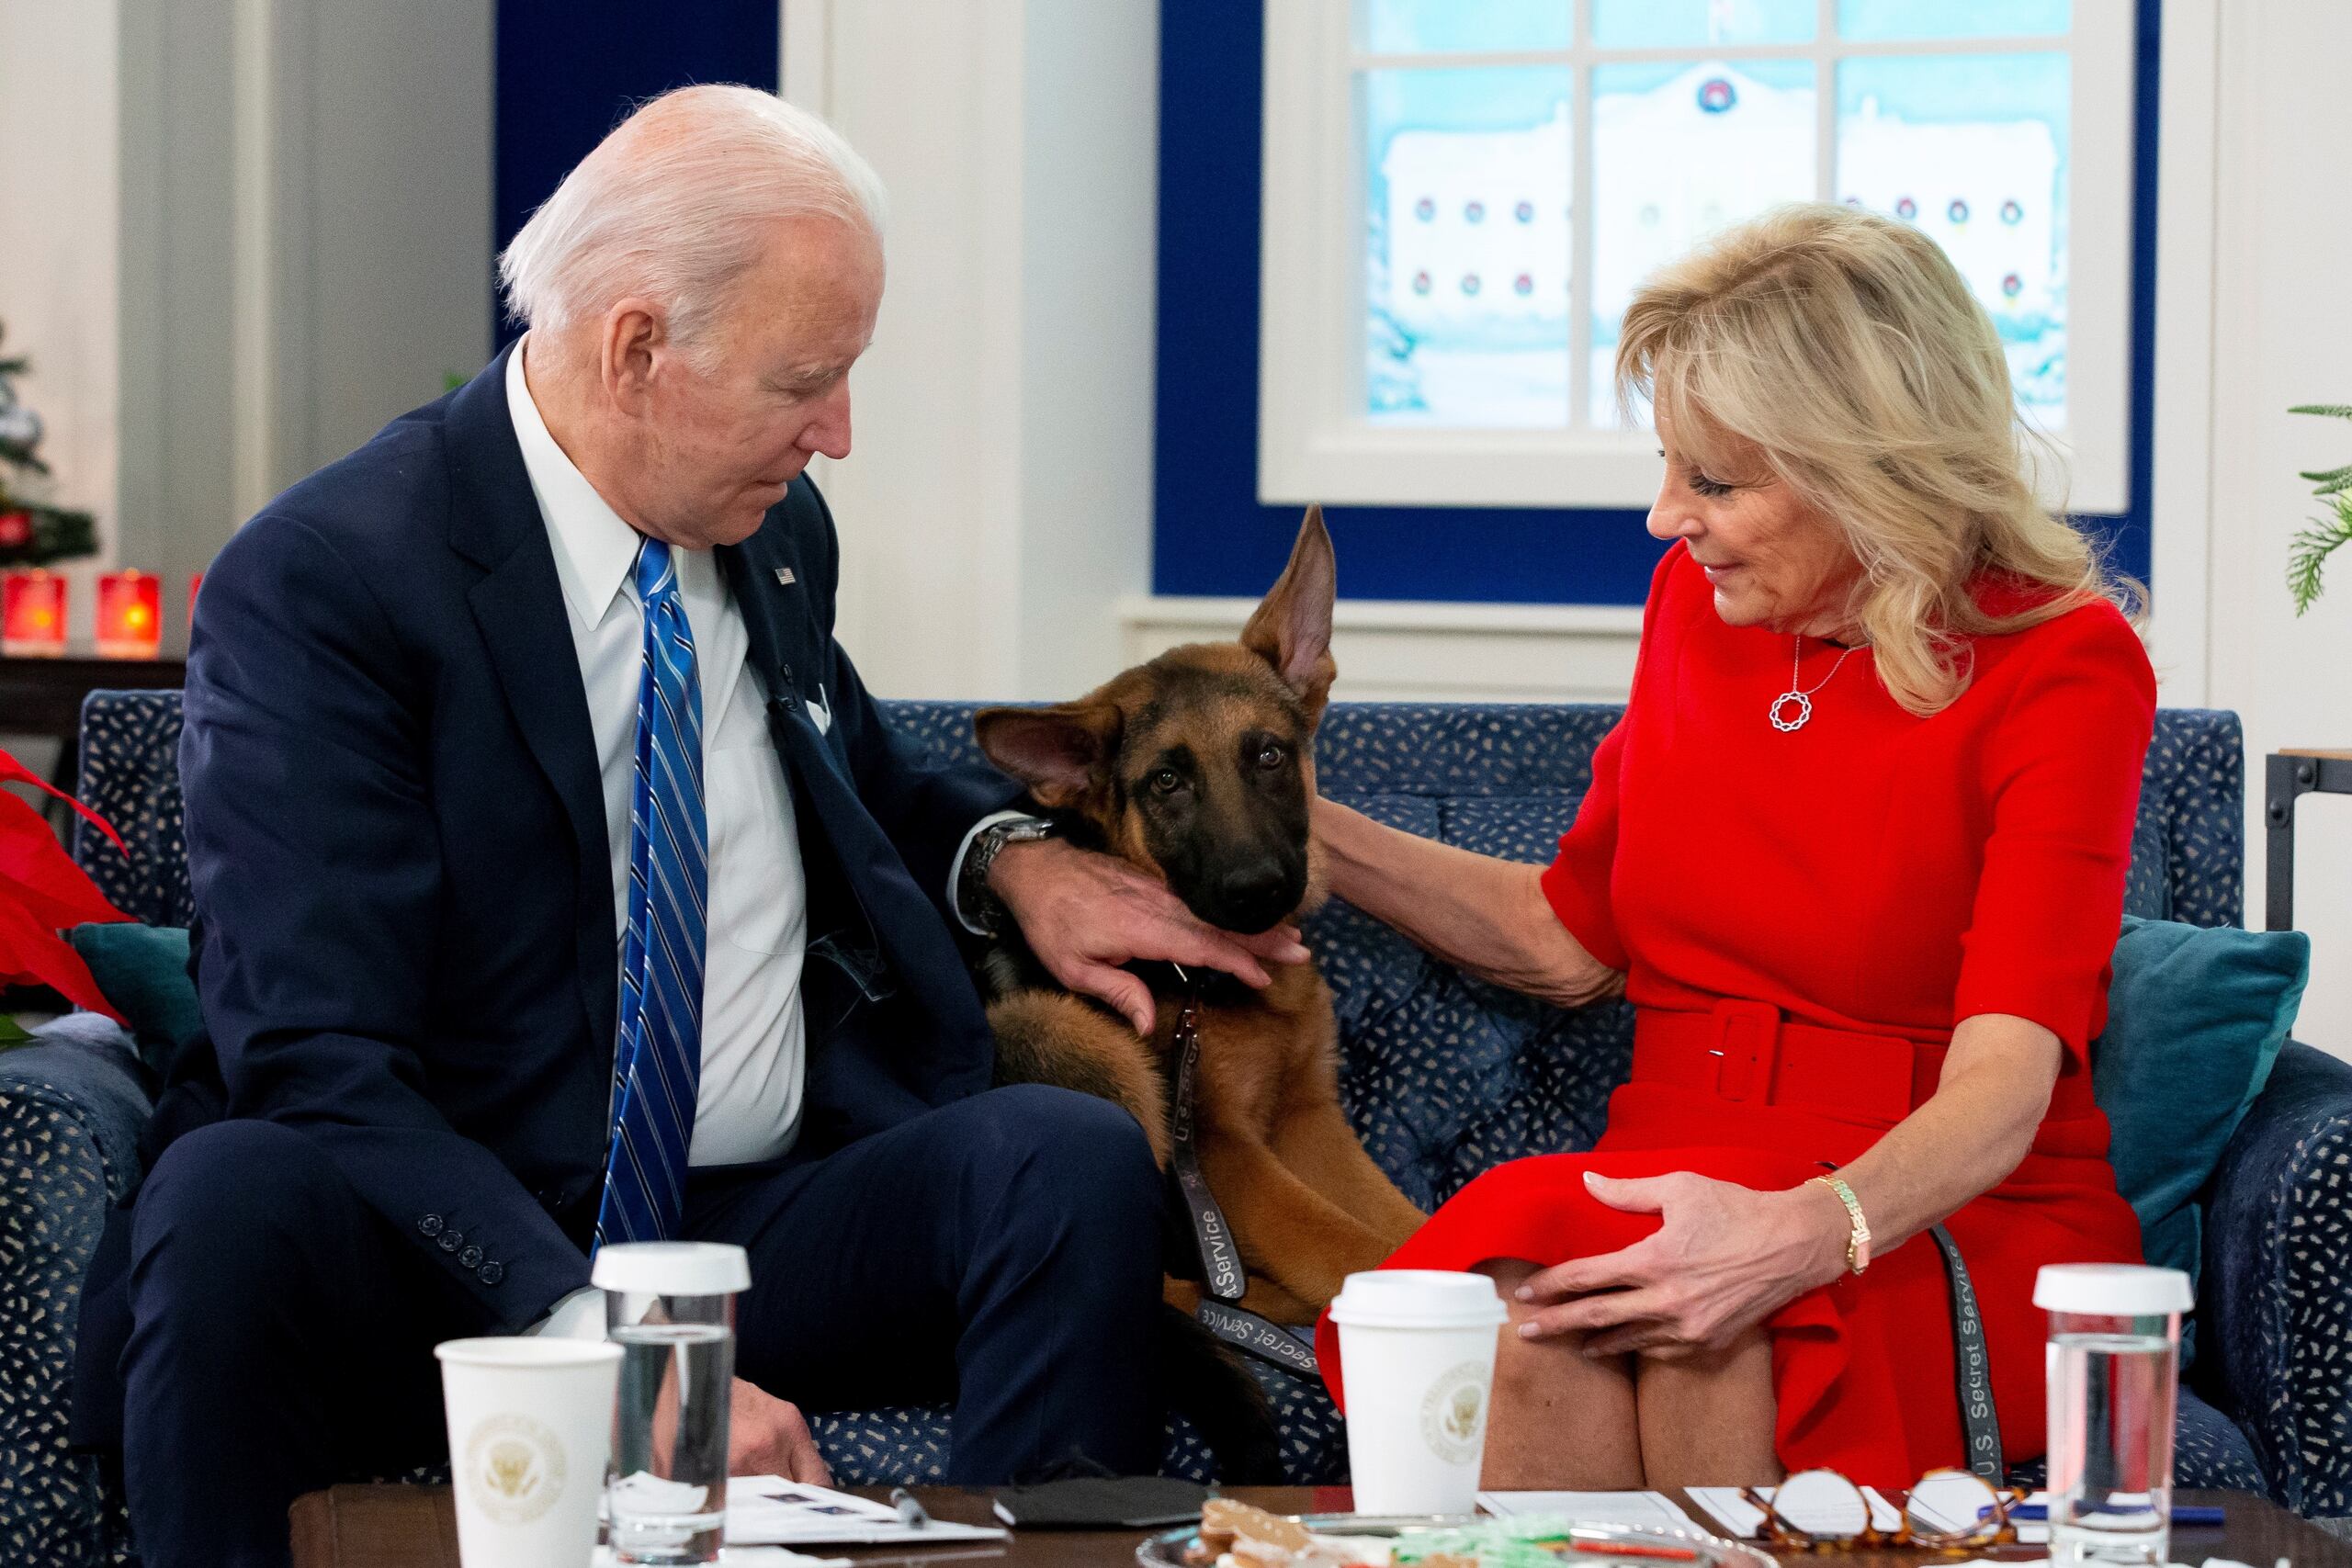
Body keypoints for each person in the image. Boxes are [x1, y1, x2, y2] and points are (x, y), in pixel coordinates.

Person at [81, 85, 1308, 1568]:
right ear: (639, 348)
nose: (839, 435)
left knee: (1056, 1156)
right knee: (232, 1190)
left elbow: (857, 771)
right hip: (453, 1234)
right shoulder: (327, 584)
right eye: (809, 380)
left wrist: (1015, 862)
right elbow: (310, 1054)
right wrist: (610, 1339)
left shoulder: (765, 527)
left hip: (754, 1213)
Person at [1310, 203, 2151, 1489]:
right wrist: (1291, 828)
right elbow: (1566, 935)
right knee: (1536, 1305)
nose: (1664, 519)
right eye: (1668, 466)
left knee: (1718, 1328)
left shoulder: (2066, 666)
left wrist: (1805, 1232)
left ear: (1869, 466)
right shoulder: (1695, 611)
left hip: (1925, 1210)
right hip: (1669, 1168)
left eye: (1714, 481)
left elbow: (2004, 1087)